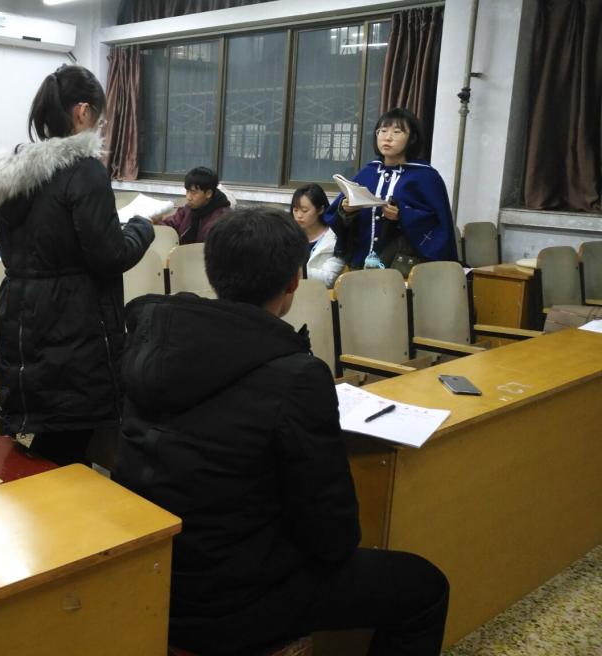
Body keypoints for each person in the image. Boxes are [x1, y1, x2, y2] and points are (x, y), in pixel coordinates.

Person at [115, 208, 449, 656]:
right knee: (424, 588)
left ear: (212, 272)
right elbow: (331, 532)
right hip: (232, 602)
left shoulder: (155, 341)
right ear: (294, 281)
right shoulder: (296, 376)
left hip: (149, 571)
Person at [0, 64, 154, 466]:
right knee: (68, 443)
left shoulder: (13, 175)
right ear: (82, 112)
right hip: (74, 320)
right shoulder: (83, 171)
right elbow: (110, 256)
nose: (100, 126)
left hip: (22, 315)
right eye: (99, 118)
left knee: (54, 434)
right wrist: (141, 229)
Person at [326, 108, 457, 273]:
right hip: (360, 264)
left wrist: (402, 215)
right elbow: (336, 216)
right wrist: (346, 210)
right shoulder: (367, 173)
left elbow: (439, 225)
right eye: (382, 131)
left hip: (403, 267)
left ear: (412, 138)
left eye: (397, 132)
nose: (387, 137)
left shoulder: (426, 177)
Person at [156, 166, 232, 245]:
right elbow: (170, 224)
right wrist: (156, 224)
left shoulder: (223, 219)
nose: (188, 197)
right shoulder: (188, 209)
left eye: (193, 192)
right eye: (187, 191)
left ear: (208, 193)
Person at [292, 183, 345, 288]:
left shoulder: (335, 238)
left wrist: (295, 271)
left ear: (320, 209)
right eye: (295, 210)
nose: (298, 215)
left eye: (304, 210)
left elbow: (329, 279)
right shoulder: (289, 235)